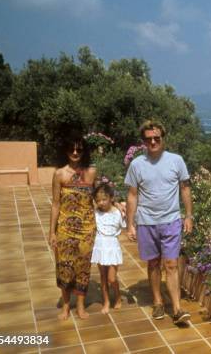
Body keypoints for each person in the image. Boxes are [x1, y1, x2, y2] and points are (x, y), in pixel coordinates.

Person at [124, 120, 194, 325]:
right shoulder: (137, 164)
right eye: (148, 139)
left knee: (171, 264)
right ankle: (157, 302)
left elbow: (185, 189)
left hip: (171, 220)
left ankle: (177, 308)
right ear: (143, 141)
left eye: (156, 138)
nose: (153, 141)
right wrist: (130, 224)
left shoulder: (176, 161)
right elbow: (132, 195)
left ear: (163, 138)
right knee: (154, 263)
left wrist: (189, 216)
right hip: (146, 222)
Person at [49, 133, 97, 320]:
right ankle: (66, 307)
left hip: (87, 228)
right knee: (65, 267)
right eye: (71, 149)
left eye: (79, 149)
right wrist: (51, 232)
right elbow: (55, 203)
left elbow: (98, 196)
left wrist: (116, 204)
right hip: (65, 229)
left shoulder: (91, 172)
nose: (75, 152)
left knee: (83, 267)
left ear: (84, 151)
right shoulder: (59, 174)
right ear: (66, 151)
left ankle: (80, 306)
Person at [91, 183, 125, 314]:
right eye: (98, 200)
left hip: (112, 247)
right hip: (100, 246)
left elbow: (125, 225)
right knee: (103, 277)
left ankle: (117, 295)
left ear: (111, 198)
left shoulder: (118, 213)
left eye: (104, 199)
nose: (101, 203)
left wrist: (118, 204)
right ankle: (106, 301)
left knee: (111, 278)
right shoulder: (95, 213)